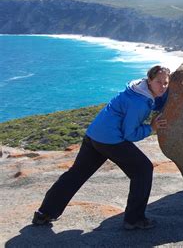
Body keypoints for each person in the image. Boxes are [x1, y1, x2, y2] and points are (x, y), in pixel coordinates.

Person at [32, 65, 170, 230]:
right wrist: (151, 128)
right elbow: (130, 134)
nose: (162, 86)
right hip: (111, 140)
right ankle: (134, 219)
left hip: (93, 135)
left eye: (166, 83)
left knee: (76, 174)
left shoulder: (137, 88)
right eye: (159, 82)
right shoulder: (139, 103)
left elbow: (156, 99)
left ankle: (44, 213)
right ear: (149, 80)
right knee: (143, 169)